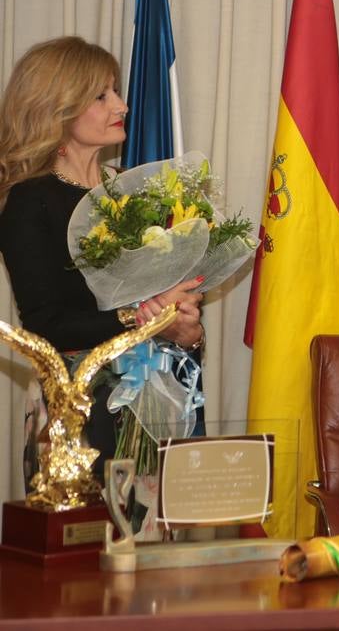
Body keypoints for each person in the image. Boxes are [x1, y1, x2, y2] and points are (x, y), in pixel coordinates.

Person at [0, 37, 204, 487]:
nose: (123, 105)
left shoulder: (133, 191)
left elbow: (170, 305)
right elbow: (47, 326)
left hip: (160, 402)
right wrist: (142, 317)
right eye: (102, 95)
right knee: (90, 551)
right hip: (80, 412)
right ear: (59, 108)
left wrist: (187, 330)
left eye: (116, 91)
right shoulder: (30, 201)